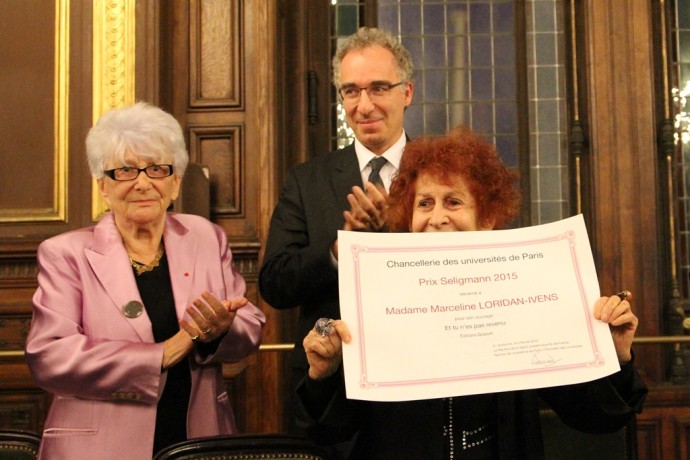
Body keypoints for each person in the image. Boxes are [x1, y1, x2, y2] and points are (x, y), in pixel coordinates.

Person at [296, 127, 647, 459]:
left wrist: (616, 357)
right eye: (424, 203)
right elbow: (329, 432)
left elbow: (598, 417)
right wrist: (323, 374)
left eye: (453, 202)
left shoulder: (528, 290)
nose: (437, 218)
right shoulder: (374, 294)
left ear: (488, 216)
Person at [24, 102, 266, 460]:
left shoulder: (206, 237)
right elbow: (50, 356)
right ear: (103, 187)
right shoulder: (65, 253)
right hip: (99, 448)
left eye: (156, 169)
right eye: (125, 170)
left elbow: (249, 324)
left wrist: (216, 334)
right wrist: (158, 356)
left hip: (197, 439)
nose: (142, 183)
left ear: (175, 182)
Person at [259, 26, 414, 420]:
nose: (364, 105)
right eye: (351, 91)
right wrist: (340, 248)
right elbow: (275, 284)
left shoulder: (439, 174)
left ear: (407, 93)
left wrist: (393, 232)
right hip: (334, 389)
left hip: (422, 378)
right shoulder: (306, 180)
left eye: (379, 88)